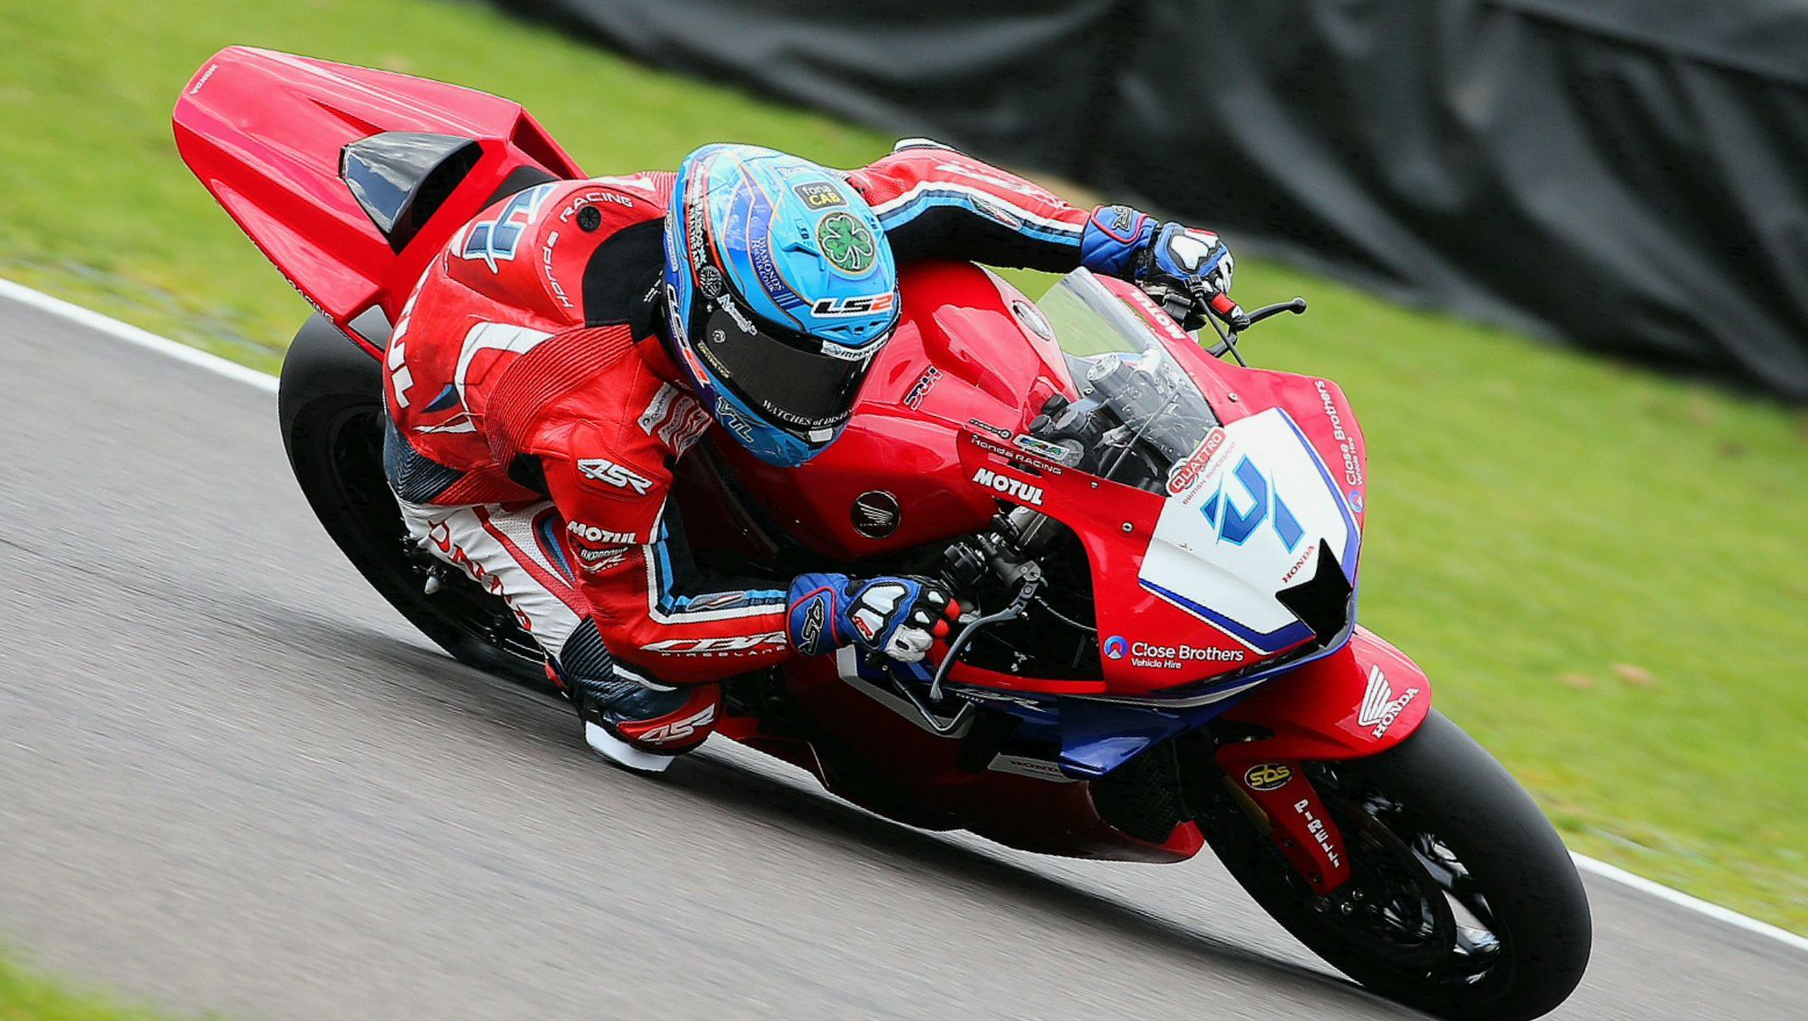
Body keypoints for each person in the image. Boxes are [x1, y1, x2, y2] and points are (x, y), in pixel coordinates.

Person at [382, 138, 1237, 770]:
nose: (821, 391)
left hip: (568, 292)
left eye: (833, 367)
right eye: (787, 366)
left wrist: (1128, 239)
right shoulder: (605, 434)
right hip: (470, 473)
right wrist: (836, 610)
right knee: (654, 713)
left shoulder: (771, 235)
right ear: (705, 315)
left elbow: (934, 184)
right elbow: (648, 624)